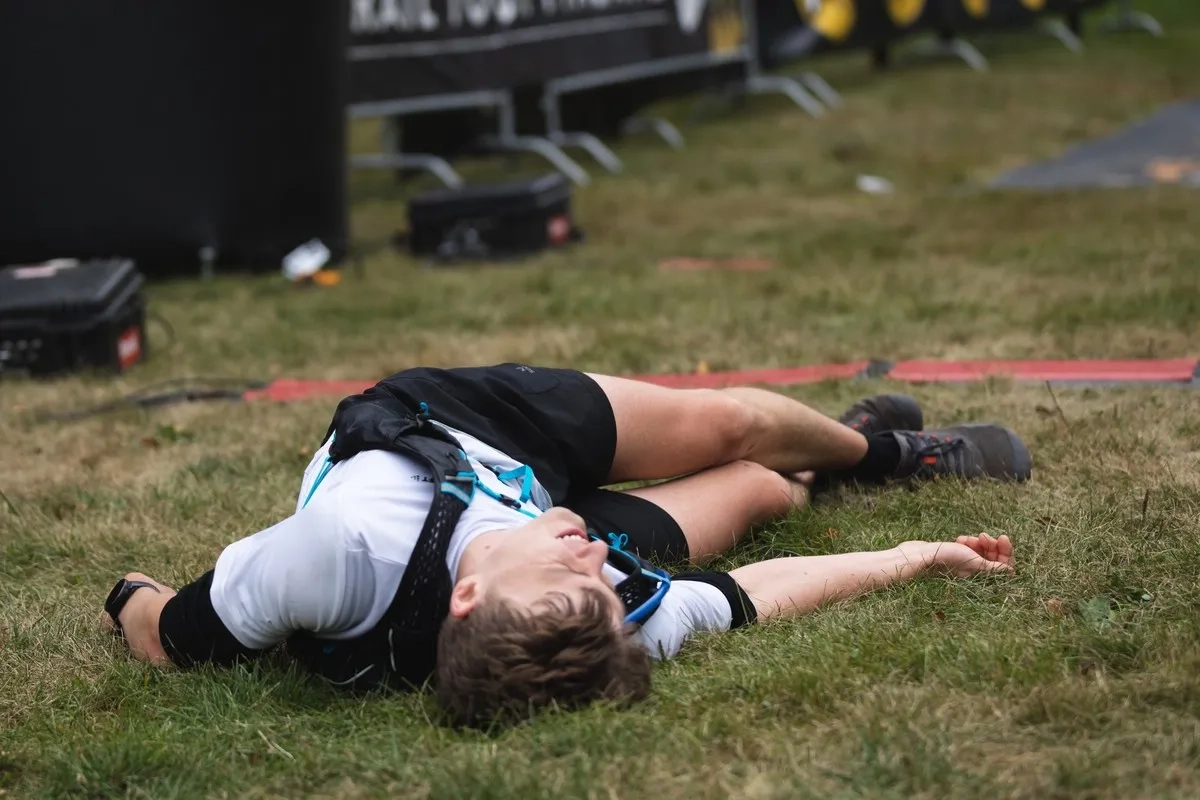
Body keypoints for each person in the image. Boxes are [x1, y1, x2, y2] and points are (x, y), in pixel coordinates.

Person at [102, 363, 1030, 728]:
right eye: (599, 583)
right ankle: (828, 448)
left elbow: (165, 634)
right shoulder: (590, 615)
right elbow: (761, 590)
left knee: (725, 425)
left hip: (457, 430)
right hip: (522, 507)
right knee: (758, 488)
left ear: (469, 601)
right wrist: (916, 557)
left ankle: (886, 451)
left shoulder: (334, 554)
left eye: (569, 570)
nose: (592, 557)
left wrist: (126, 595)